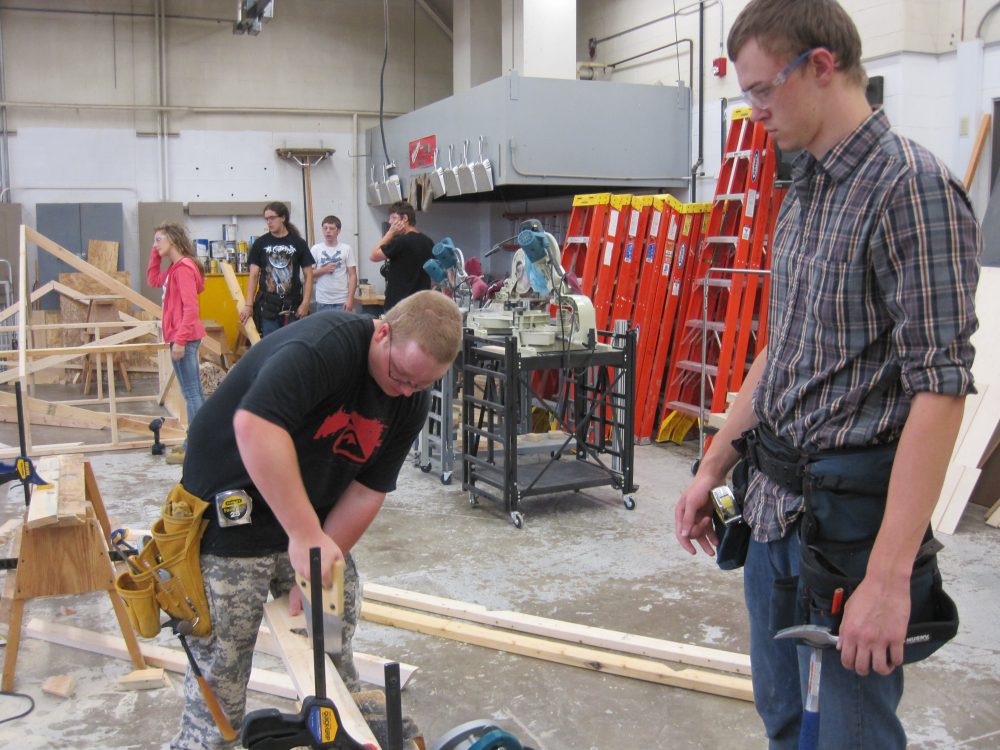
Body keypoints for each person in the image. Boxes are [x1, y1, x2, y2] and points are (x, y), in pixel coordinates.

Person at [673, 2, 980, 748]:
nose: (755, 114)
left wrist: (887, 576)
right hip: (770, 505)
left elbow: (939, 392)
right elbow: (783, 351)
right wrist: (712, 468)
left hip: (851, 531)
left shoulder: (913, 190)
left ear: (820, 65)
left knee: (848, 737)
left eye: (761, 93)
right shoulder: (805, 188)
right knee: (783, 721)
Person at [169, 289, 463, 750]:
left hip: (304, 509)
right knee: (223, 660)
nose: (405, 391)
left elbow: (369, 489)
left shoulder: (410, 398)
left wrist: (322, 553)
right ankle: (203, 744)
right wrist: (306, 536)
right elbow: (255, 428)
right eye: (401, 375)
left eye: (421, 385)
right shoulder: (324, 347)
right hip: (233, 507)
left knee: (330, 637)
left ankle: (340, 731)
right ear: (382, 331)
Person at [146, 222, 207, 464]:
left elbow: (191, 309)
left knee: (192, 394)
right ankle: (197, 441)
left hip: (185, 337)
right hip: (181, 335)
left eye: (158, 240)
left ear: (172, 240)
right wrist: (155, 253)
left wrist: (180, 341)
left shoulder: (182, 269)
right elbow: (153, 279)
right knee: (194, 393)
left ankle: (195, 444)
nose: (155, 244)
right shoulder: (174, 268)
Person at [240, 201, 314, 336]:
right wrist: (249, 305)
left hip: (293, 306)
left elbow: (309, 275)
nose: (269, 222)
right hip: (268, 307)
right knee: (271, 346)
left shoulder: (298, 243)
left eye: (272, 218)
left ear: (283, 218)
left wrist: (305, 304)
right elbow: (254, 275)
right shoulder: (260, 243)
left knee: (292, 347)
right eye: (266, 219)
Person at [369, 200, 433, 311]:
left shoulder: (401, 242)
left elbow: (374, 256)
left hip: (399, 306)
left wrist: (389, 233)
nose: (390, 222)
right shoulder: (428, 242)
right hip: (421, 305)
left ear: (404, 219)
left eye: (393, 218)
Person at [311, 214, 357, 312]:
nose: (328, 231)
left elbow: (353, 275)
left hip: (341, 300)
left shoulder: (346, 249)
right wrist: (324, 270)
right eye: (325, 228)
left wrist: (350, 299)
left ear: (338, 231)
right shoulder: (316, 249)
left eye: (331, 228)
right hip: (322, 300)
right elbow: (309, 274)